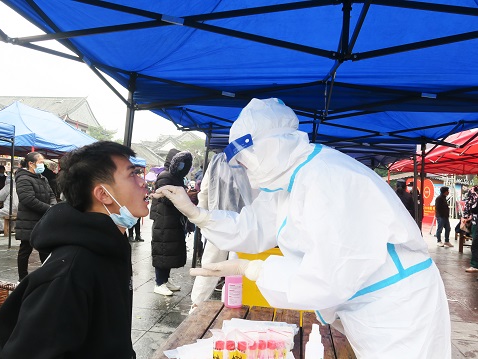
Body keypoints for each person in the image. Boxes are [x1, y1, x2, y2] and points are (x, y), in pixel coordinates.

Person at [154, 98, 451, 358]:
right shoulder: (286, 180)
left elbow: (327, 279)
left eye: (244, 156)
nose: (243, 167)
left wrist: (255, 270)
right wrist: (198, 214)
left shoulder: (327, 179)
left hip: (398, 308)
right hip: (362, 301)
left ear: (269, 145)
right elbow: (253, 227)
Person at [0, 141, 148, 358]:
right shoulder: (70, 273)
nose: (143, 182)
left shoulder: (112, 246)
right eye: (132, 174)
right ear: (103, 194)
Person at [190, 152, 256, 313]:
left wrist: (204, 219)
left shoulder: (217, 160)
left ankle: (196, 305)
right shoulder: (254, 158)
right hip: (244, 225)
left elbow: (204, 191)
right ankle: (229, 306)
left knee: (210, 265)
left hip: (217, 221)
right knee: (236, 269)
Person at [150, 149, 193, 296]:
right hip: (163, 219)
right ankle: (159, 283)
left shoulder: (176, 177)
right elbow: (164, 196)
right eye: (179, 162)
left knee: (169, 251)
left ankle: (165, 280)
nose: (181, 166)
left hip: (172, 219)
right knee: (162, 250)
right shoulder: (165, 175)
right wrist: (183, 199)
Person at [15, 152, 57, 281]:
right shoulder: (23, 179)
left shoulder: (42, 178)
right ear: (31, 163)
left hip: (43, 219)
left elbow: (51, 195)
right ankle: (22, 278)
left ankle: (47, 276)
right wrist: (48, 208)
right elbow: (27, 199)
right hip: (28, 220)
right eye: (40, 162)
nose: (42, 165)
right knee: (25, 250)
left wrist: (53, 206)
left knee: (44, 248)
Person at [463, 186, 478, 273]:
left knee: (475, 245)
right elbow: (470, 206)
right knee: (475, 244)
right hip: (475, 222)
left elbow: (471, 207)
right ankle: (474, 264)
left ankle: (475, 265)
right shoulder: (474, 191)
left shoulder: (473, 192)